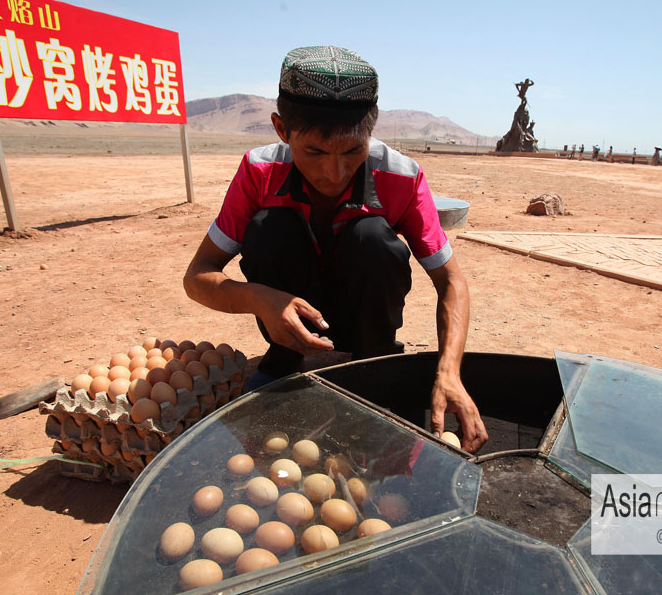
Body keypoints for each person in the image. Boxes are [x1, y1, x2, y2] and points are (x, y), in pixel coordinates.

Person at [183, 46, 488, 453]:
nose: (335, 172)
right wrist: (260, 299)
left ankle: (373, 365)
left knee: (373, 239)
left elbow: (452, 281)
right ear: (281, 129)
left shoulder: (401, 175)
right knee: (272, 229)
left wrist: (449, 371)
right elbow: (198, 276)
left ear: (371, 132)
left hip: (366, 319)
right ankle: (286, 359)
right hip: (290, 318)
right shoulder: (260, 171)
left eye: (353, 150)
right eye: (314, 152)